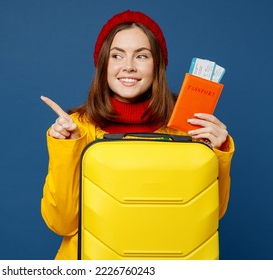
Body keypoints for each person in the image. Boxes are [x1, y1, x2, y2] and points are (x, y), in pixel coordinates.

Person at [40, 10, 235, 260]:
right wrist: (67, 148)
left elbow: (208, 219)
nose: (128, 67)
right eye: (117, 55)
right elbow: (62, 223)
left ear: (158, 65)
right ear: (103, 64)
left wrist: (217, 154)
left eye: (141, 56)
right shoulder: (76, 128)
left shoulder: (188, 126)